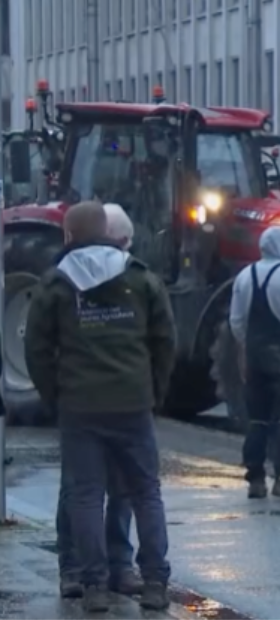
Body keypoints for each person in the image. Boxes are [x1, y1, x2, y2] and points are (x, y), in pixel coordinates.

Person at [24, 201, 176, 613]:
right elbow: (165, 341)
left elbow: (36, 349)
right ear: (109, 232)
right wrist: (153, 393)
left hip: (80, 406)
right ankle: (155, 583)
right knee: (146, 493)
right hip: (133, 403)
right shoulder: (141, 278)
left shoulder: (56, 282)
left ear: (69, 236)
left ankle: (93, 586)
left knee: (85, 495)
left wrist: (56, 395)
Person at [55, 203, 141, 600]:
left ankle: (107, 567)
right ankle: (86, 569)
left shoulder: (135, 282)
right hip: (95, 400)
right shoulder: (65, 281)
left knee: (93, 488)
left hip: (102, 397)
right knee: (87, 488)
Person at [229, 226, 280, 501]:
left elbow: (236, 322)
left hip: (254, 357)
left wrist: (246, 347)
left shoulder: (244, 276)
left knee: (257, 419)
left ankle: (255, 480)